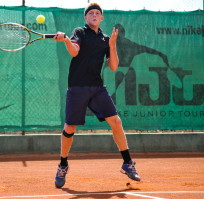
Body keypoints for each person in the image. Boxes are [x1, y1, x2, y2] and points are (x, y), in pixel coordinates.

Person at [53, 2, 141, 189]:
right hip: (77, 87)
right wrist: (67, 40)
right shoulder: (80, 32)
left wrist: (112, 45)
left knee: (116, 122)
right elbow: (74, 52)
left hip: (97, 87)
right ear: (86, 18)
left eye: (97, 13)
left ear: (101, 18)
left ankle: (127, 163)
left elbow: (114, 66)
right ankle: (63, 165)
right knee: (69, 127)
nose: (94, 15)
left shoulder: (105, 39)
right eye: (90, 13)